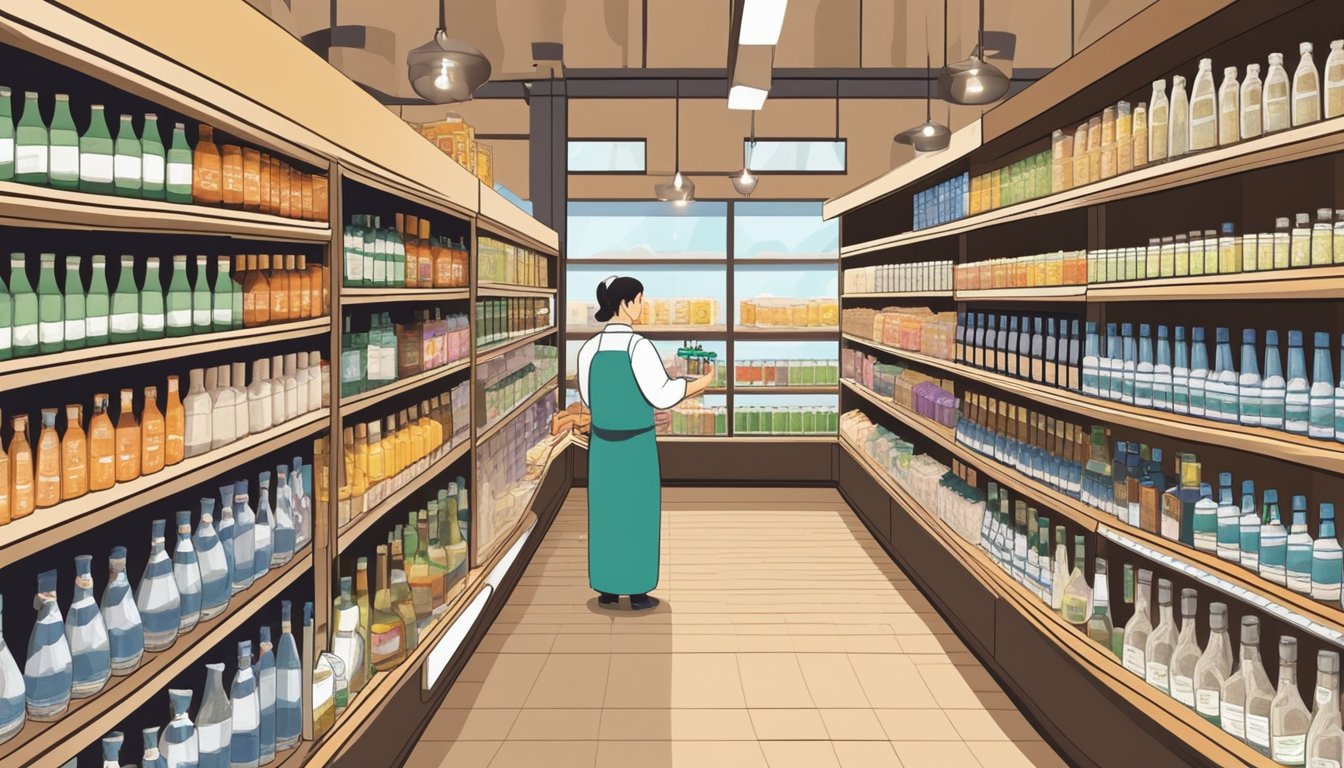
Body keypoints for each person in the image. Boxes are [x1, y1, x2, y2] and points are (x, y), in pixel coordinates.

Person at [575, 276, 715, 610]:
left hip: (603, 447)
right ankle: (637, 591)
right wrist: (703, 382)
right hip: (636, 446)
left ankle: (607, 589)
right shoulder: (639, 348)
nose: (643, 306)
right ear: (625, 304)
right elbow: (663, 394)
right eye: (640, 299)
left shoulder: (589, 349)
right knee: (637, 513)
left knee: (606, 514)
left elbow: (587, 396)